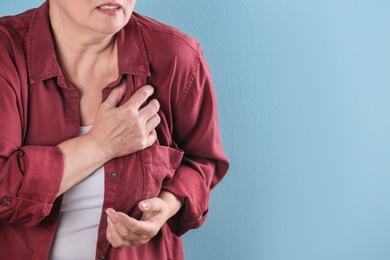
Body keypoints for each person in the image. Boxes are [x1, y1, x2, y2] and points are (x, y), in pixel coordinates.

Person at [0, 0, 229, 259]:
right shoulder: (5, 53)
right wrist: (100, 145)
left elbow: (202, 162)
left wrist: (165, 206)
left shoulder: (178, 57)